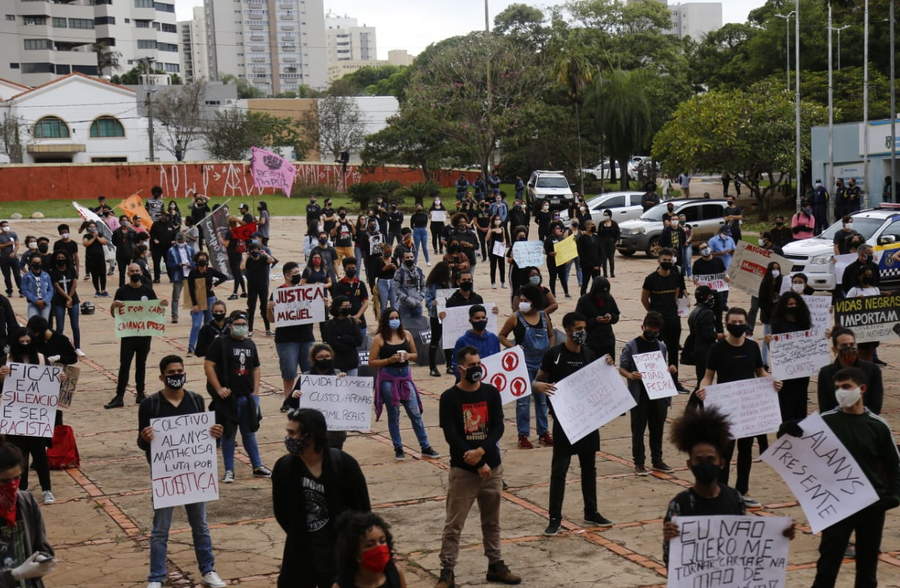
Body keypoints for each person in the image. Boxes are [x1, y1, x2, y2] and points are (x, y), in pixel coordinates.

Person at [780, 367, 900, 588]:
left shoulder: (877, 426)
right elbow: (794, 442)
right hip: (837, 507)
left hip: (871, 506)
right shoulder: (825, 421)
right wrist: (786, 429)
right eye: (837, 388)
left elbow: (894, 465)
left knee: (867, 567)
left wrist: (893, 496)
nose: (841, 392)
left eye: (846, 387)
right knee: (828, 564)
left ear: (862, 389)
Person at [662, 407, 795, 565]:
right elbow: (670, 561)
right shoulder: (680, 505)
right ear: (690, 464)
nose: (705, 465)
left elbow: (745, 544)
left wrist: (779, 536)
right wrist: (669, 540)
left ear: (722, 463)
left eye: (711, 459)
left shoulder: (735, 498)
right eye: (699, 460)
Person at [137, 355, 227, 588]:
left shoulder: (196, 400)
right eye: (171, 373)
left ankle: (208, 570)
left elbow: (205, 438)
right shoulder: (150, 404)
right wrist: (144, 438)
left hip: (194, 476)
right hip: (165, 476)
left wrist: (215, 434)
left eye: (180, 371)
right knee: (160, 530)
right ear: (162, 377)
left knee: (200, 526)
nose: (177, 376)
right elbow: (141, 441)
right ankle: (156, 577)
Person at [434, 346, 520, 588]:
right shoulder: (449, 398)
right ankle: (447, 571)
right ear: (460, 368)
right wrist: (475, 461)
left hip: (492, 468)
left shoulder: (491, 393)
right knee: (454, 524)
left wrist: (482, 454)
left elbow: (498, 427)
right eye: (471, 365)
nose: (477, 369)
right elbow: (451, 435)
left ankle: (495, 565)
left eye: (478, 364)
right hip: (463, 471)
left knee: (492, 522)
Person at [533, 312, 614, 536]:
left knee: (589, 468)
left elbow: (601, 380)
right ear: (567, 331)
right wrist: (538, 386)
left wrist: (608, 364)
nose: (582, 333)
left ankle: (592, 511)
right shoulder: (555, 354)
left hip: (588, 421)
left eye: (584, 328)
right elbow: (538, 380)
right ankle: (554, 517)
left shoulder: (590, 354)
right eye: (578, 329)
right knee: (559, 471)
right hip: (565, 421)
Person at [694, 308, 782, 508]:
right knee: (725, 451)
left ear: (746, 324)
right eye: (733, 322)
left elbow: (760, 372)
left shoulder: (752, 347)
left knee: (745, 451)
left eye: (740, 321)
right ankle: (721, 491)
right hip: (727, 407)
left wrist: (774, 382)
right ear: (726, 323)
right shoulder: (717, 349)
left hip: (748, 407)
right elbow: (708, 376)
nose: (737, 325)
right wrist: (703, 390)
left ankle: (742, 490)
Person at [273, 408, 370, 588]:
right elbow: (281, 511)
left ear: (310, 436)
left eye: (292, 433)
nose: (288, 438)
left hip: (337, 558)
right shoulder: (284, 468)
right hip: (300, 556)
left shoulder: (344, 465)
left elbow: (362, 511)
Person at [204, 310, 272, 482]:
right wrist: (218, 388)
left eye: (244, 324)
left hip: (247, 397)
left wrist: (255, 393)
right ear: (230, 325)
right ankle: (229, 470)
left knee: (249, 432)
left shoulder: (250, 344)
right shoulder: (220, 343)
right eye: (237, 324)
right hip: (228, 399)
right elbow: (209, 365)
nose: (241, 327)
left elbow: (256, 368)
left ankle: (257, 465)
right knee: (229, 433)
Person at [370, 309, 440, 461]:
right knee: (393, 414)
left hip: (405, 377)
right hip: (388, 378)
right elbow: (372, 361)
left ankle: (425, 445)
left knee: (415, 412)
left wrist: (408, 356)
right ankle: (398, 447)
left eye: (397, 317)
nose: (395, 320)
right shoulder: (379, 338)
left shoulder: (406, 334)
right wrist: (389, 360)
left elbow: (415, 355)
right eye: (391, 318)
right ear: (385, 321)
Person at [0, 328, 57, 505]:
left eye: (28, 342)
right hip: (15, 419)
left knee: (40, 455)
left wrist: (59, 378)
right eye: (21, 342)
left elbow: (50, 386)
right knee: (20, 455)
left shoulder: (41, 359)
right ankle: (22, 488)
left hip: (36, 419)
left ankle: (46, 489)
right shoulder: (6, 361)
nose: (25, 345)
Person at [619, 312, 676, 475]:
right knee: (638, 430)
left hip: (658, 394)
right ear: (643, 327)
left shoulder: (661, 346)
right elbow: (622, 367)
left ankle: (657, 460)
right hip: (640, 395)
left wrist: (669, 370)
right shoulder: (631, 346)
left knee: (657, 429)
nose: (652, 333)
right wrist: (630, 375)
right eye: (650, 329)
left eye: (656, 331)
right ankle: (639, 462)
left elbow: (661, 368)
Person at [498, 284, 554, 450]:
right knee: (522, 402)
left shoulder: (544, 316)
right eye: (521, 300)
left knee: (542, 400)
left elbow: (551, 336)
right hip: (524, 364)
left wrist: (550, 351)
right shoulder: (515, 318)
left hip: (542, 364)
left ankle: (543, 433)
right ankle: (523, 435)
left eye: (526, 300)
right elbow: (501, 336)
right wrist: (512, 347)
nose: (523, 303)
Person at [106, 264, 168, 408]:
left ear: (141, 273)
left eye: (137, 271)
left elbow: (155, 310)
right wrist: (113, 307)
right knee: (125, 365)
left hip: (144, 335)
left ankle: (140, 394)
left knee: (141, 364)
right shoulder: (122, 291)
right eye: (132, 271)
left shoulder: (148, 291)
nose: (135, 273)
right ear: (127, 273)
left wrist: (162, 304)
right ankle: (119, 396)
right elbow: (115, 315)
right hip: (128, 335)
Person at [0, 437, 56, 587]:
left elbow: (42, 547)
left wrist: (41, 561)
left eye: (16, 477)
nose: (12, 486)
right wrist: (13, 575)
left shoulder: (26, 502)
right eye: (4, 481)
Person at [268, 262, 317, 409]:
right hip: (286, 339)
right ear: (287, 275)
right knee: (289, 371)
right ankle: (288, 400)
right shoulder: (278, 293)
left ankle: (309, 399)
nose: (298, 275)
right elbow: (271, 319)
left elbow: (316, 312)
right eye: (295, 273)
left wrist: (322, 304)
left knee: (310, 370)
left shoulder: (306, 291)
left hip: (306, 336)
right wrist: (269, 309)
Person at [640, 248, 686, 390]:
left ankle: (674, 381)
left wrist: (674, 310)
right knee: (657, 352)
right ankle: (658, 382)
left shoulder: (675, 276)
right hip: (657, 323)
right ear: (659, 261)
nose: (667, 262)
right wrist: (653, 315)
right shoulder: (651, 279)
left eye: (669, 260)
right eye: (664, 260)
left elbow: (676, 295)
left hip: (673, 320)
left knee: (673, 351)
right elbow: (644, 299)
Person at [764, 292, 813, 422]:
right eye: (790, 304)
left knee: (801, 400)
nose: (793, 306)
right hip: (785, 371)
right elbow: (776, 350)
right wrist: (769, 343)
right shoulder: (778, 323)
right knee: (786, 403)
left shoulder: (804, 322)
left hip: (802, 371)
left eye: (796, 304)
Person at [818, 327, 883, 414]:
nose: (849, 349)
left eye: (852, 345)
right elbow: (824, 407)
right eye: (844, 346)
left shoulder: (872, 370)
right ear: (835, 349)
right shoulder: (825, 373)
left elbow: (875, 406)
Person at [333, 511, 406, 588]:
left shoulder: (395, 574)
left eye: (382, 541)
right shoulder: (341, 586)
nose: (379, 548)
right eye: (370, 545)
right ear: (356, 553)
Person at [186, 251, 227, 355]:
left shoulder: (210, 271)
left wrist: (215, 284)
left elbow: (224, 276)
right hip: (198, 300)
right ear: (196, 261)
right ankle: (191, 347)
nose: (202, 261)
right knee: (196, 325)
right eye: (200, 259)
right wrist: (194, 304)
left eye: (204, 259)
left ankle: (208, 347)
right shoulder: (193, 273)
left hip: (210, 299)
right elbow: (190, 289)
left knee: (209, 324)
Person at [685, 286, 721, 391]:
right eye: (710, 296)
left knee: (700, 380)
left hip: (697, 348)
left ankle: (694, 404)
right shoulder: (707, 313)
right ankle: (698, 404)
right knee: (703, 382)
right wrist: (721, 336)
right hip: (704, 350)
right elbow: (708, 335)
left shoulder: (695, 311)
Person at [575, 277, 619, 360]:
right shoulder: (584, 301)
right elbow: (578, 323)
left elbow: (616, 314)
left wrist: (611, 317)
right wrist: (595, 321)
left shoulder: (609, 298)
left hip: (607, 340)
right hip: (591, 342)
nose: (602, 298)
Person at [450, 305, 501, 373]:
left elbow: (498, 360)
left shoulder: (493, 338)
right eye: (477, 318)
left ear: (487, 319)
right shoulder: (462, 341)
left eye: (483, 317)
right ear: (470, 320)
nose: (481, 320)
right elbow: (456, 365)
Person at [322, 297, 364, 378]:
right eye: (345, 306)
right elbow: (333, 343)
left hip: (352, 362)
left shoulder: (352, 321)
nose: (348, 308)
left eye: (349, 306)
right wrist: (350, 343)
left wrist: (344, 338)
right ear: (338, 308)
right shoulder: (330, 324)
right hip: (337, 363)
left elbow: (359, 340)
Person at [49, 250, 81, 355]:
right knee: (60, 326)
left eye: (62, 257)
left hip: (73, 300)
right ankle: (59, 348)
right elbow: (57, 287)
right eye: (58, 258)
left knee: (75, 325)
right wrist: (67, 298)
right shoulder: (53, 272)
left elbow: (75, 284)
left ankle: (77, 347)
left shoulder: (71, 269)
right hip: (59, 300)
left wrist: (70, 297)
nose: (61, 260)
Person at [425, 262, 453, 377]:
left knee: (448, 340)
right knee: (435, 340)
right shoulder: (432, 285)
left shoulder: (448, 284)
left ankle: (449, 364)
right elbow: (427, 301)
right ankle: (432, 366)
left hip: (447, 315)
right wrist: (433, 303)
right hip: (435, 316)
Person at [332, 257, 370, 344]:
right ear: (345, 269)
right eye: (349, 268)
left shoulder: (361, 284)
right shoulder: (339, 285)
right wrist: (351, 318)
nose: (351, 270)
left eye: (353, 268)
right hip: (344, 322)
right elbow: (337, 304)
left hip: (360, 322)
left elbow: (365, 302)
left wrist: (357, 316)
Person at [243, 242, 276, 336]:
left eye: (256, 250)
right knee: (252, 308)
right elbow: (242, 267)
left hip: (263, 287)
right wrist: (246, 257)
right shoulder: (249, 260)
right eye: (252, 250)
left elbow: (272, 260)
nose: (255, 252)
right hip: (252, 287)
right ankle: (250, 330)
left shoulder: (263, 258)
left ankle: (268, 329)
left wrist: (265, 253)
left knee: (264, 308)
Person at [165, 233, 194, 325]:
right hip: (178, 275)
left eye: (182, 240)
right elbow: (169, 264)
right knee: (176, 297)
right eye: (179, 240)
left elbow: (195, 261)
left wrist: (191, 265)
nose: (181, 242)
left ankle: (194, 313)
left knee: (192, 296)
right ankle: (174, 316)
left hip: (189, 275)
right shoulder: (171, 251)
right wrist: (178, 265)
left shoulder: (190, 249)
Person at [393, 251, 426, 319]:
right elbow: (396, 289)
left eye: (411, 257)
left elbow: (424, 286)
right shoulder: (399, 273)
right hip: (404, 306)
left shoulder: (419, 271)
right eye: (407, 257)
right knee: (406, 327)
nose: (410, 259)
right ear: (403, 259)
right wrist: (407, 299)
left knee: (418, 327)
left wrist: (420, 298)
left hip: (418, 305)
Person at [222, 218, 247, 300]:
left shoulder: (229, 233)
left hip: (232, 255)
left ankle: (235, 293)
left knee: (235, 274)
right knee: (239, 273)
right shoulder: (238, 231)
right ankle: (243, 291)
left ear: (229, 223)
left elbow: (226, 244)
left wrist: (220, 239)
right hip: (239, 253)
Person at [82, 221, 109, 297]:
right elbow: (86, 244)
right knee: (94, 274)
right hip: (91, 258)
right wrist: (93, 238)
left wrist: (97, 237)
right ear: (88, 228)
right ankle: (97, 290)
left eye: (94, 227)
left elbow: (104, 242)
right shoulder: (86, 236)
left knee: (103, 274)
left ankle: (103, 290)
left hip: (100, 257)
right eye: (91, 227)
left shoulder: (99, 234)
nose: (92, 228)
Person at [543, 222, 570, 299]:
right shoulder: (548, 240)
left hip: (561, 261)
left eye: (559, 228)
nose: (558, 230)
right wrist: (549, 253)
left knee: (563, 277)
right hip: (552, 261)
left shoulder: (561, 238)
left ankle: (566, 292)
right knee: (552, 277)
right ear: (552, 229)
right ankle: (553, 293)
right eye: (557, 228)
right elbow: (545, 250)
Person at [22, 254, 52, 321]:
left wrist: (45, 300)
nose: (37, 264)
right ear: (31, 263)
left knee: (44, 323)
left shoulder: (46, 275)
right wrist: (36, 300)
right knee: (32, 323)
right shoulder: (26, 276)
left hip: (45, 304)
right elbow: (24, 290)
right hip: (32, 303)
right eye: (35, 263)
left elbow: (50, 289)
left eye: (38, 263)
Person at [149, 214, 176, 284]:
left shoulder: (170, 225)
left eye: (166, 216)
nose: (164, 217)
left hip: (167, 247)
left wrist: (173, 240)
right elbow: (152, 234)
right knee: (156, 263)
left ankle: (171, 277)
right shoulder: (155, 224)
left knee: (169, 263)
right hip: (157, 247)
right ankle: (156, 278)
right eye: (163, 216)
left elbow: (174, 234)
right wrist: (154, 239)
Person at [112, 215, 137, 288]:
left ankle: (133, 284)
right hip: (120, 254)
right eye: (123, 220)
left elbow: (135, 241)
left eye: (126, 220)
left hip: (130, 254)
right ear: (120, 222)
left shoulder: (132, 231)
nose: (124, 222)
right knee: (122, 272)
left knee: (133, 271)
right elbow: (114, 242)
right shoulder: (116, 232)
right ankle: (122, 287)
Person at [576, 220, 600, 295]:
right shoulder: (582, 239)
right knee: (585, 284)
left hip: (597, 265)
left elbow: (600, 250)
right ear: (587, 226)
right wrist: (591, 265)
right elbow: (581, 253)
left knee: (597, 284)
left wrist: (599, 264)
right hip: (587, 266)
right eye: (592, 225)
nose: (594, 226)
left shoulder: (596, 237)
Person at [374, 245, 397, 314]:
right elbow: (375, 274)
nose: (388, 253)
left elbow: (398, 274)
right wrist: (384, 269)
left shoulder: (393, 260)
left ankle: (395, 318)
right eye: (386, 252)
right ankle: (383, 320)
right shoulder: (378, 260)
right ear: (383, 251)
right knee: (383, 305)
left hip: (392, 282)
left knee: (394, 305)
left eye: (390, 252)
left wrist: (395, 268)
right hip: (382, 282)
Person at [487, 213, 506, 289]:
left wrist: (504, 241)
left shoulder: (502, 228)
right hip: (493, 249)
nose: (497, 221)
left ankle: (503, 281)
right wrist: (490, 232)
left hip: (501, 248)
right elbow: (486, 239)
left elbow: (504, 237)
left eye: (499, 219)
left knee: (502, 266)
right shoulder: (491, 229)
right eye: (496, 219)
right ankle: (493, 282)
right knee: (493, 266)